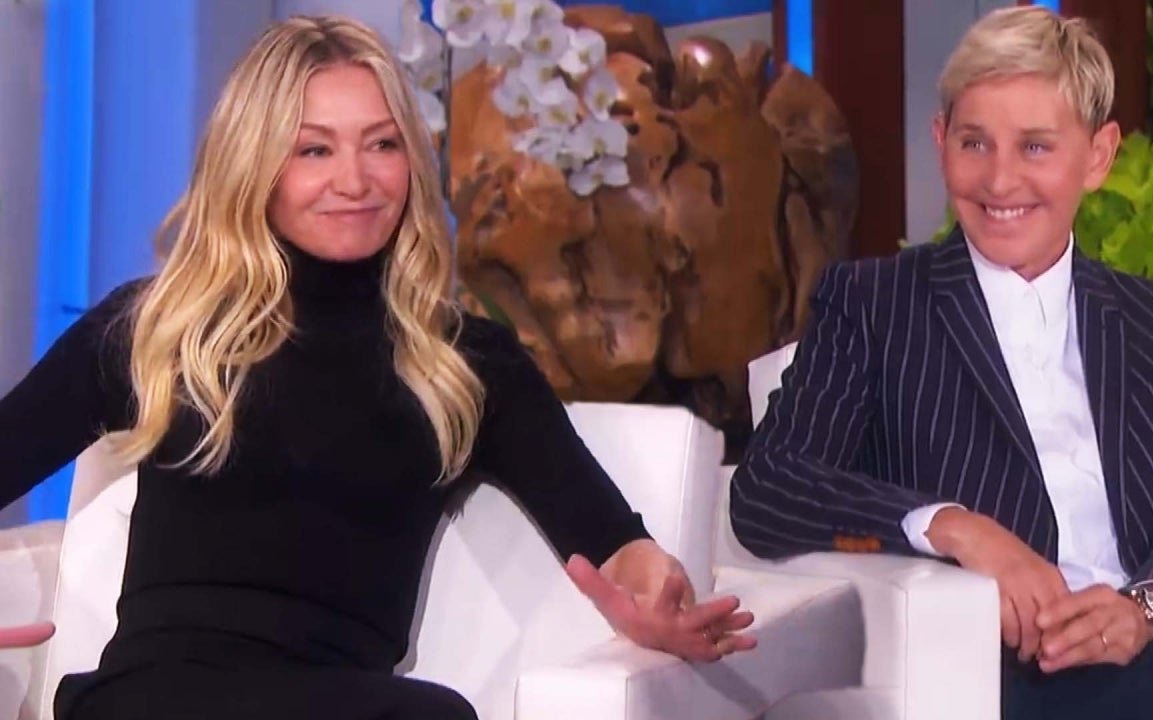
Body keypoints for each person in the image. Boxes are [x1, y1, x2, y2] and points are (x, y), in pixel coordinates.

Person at [0, 15, 755, 720]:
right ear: (253, 164)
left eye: (382, 144)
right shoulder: (159, 328)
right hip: (148, 699)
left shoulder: (465, 363)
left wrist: (654, 593)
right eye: (314, 150)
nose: (356, 180)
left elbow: (610, 539)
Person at [731, 6, 1153, 719]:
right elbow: (768, 488)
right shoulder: (874, 305)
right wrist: (954, 526)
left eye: (1035, 147)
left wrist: (1146, 608)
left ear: (1099, 156)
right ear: (941, 143)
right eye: (975, 143)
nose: (1000, 180)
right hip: (1003, 675)